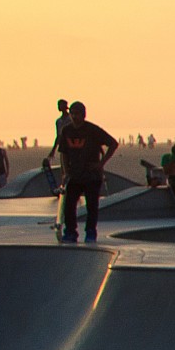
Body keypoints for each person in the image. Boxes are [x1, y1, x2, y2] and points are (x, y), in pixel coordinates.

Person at [53, 101, 119, 244]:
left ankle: (90, 232)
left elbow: (113, 143)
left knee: (92, 206)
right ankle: (70, 232)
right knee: (69, 206)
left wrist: (101, 164)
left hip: (91, 175)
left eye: (77, 114)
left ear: (83, 115)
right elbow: (63, 153)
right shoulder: (66, 130)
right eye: (72, 114)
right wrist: (65, 172)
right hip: (74, 175)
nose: (74, 117)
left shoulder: (93, 130)